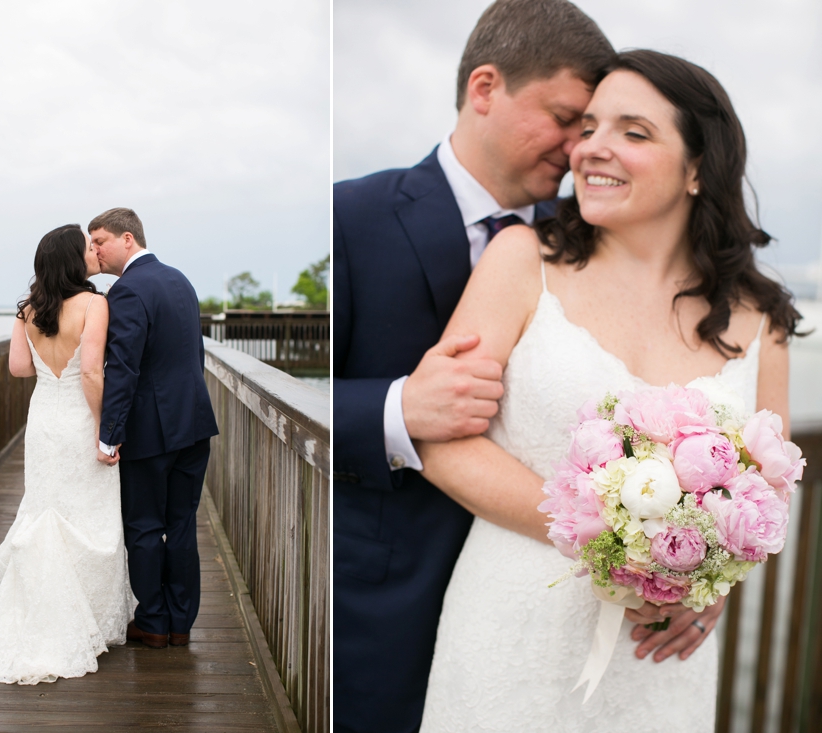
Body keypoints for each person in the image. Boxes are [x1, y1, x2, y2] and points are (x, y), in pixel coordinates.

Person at [416, 49, 802, 731]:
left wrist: (712, 580)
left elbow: (770, 490)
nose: (592, 148)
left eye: (633, 131)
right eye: (589, 127)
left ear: (697, 169)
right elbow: (443, 442)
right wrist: (620, 547)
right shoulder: (520, 259)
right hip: (513, 629)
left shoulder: (760, 316)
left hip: (660, 652)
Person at [333, 2, 614, 730]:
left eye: (593, 130)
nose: (580, 148)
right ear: (485, 87)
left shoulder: (595, 248)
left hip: (546, 605)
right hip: (384, 596)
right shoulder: (350, 216)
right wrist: (396, 409)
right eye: (566, 118)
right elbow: (283, 399)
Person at [0, 224, 133, 684]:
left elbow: (19, 368)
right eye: (86, 248)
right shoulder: (96, 304)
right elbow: (93, 373)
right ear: (74, 260)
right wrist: (105, 433)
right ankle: (85, 620)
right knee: (88, 515)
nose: (92, 252)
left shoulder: (28, 309)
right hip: (80, 418)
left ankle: (43, 614)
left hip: (43, 420)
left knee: (44, 509)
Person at [90, 207, 219, 649]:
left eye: (100, 241)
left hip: (151, 431)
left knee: (144, 527)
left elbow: (123, 368)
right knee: (182, 524)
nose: (95, 251)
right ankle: (181, 623)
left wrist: (109, 433)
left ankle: (153, 622)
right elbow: (191, 356)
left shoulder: (126, 292)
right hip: (194, 423)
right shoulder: (181, 280)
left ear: (128, 239)